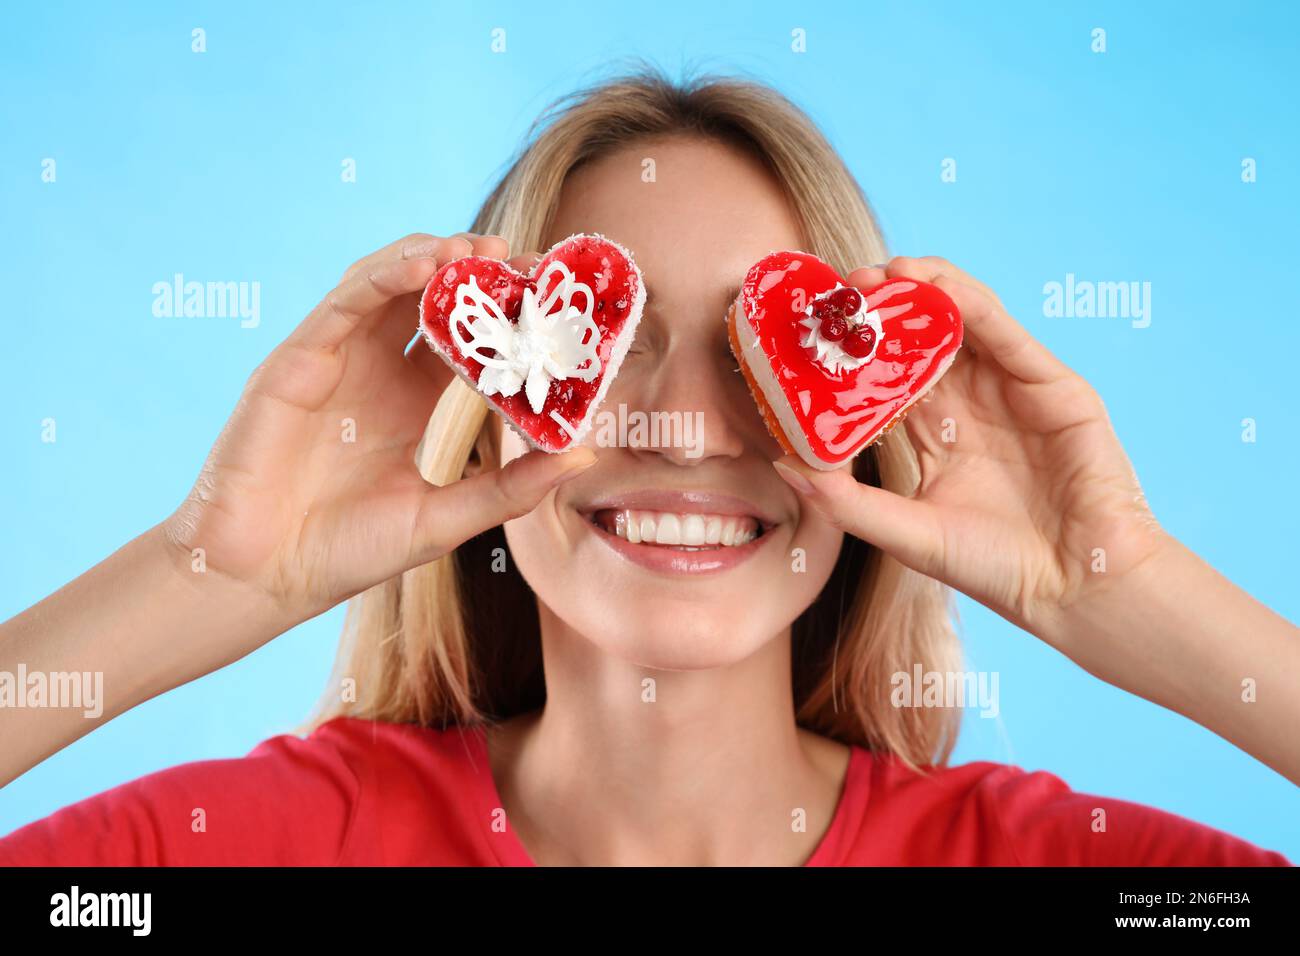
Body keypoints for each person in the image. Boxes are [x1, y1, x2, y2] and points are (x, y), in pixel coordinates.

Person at [1, 71, 1294, 866]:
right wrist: (209, 576)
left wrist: (1122, 589)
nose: (684, 428)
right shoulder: (255, 850)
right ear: (488, 396)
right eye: (604, 343)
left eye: (759, 353)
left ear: (873, 421)